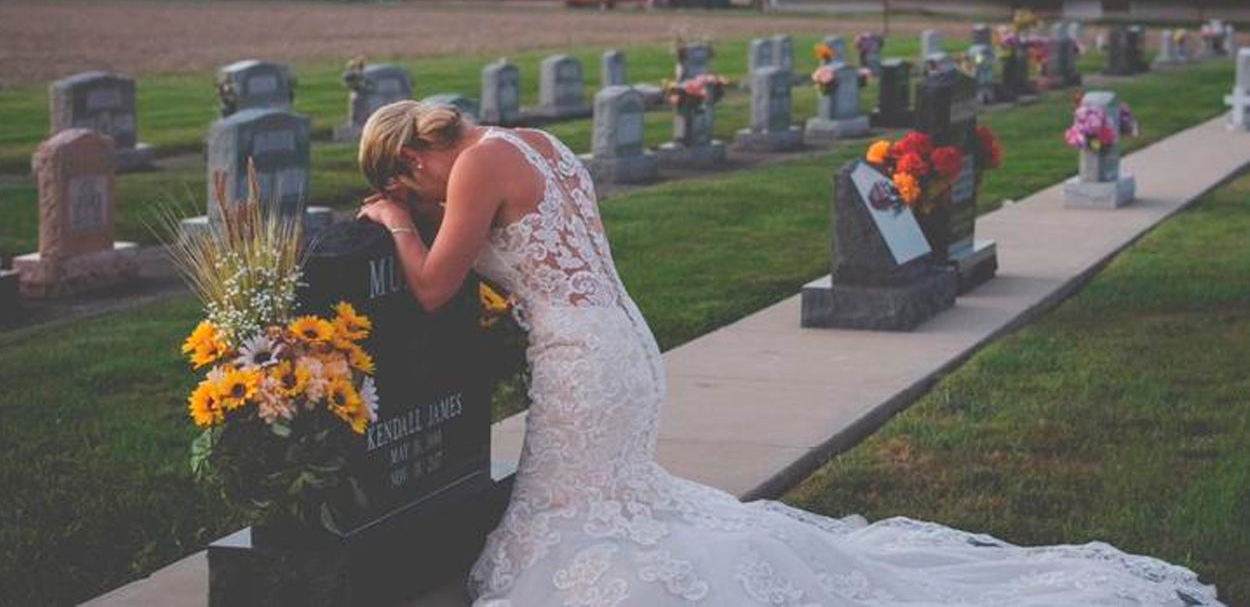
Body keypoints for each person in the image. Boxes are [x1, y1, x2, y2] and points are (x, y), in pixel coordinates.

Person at [357, 100, 1220, 606]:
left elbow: (434, 285)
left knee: (574, 521)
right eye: (406, 197)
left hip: (585, 358)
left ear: (415, 149)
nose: (418, 195)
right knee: (615, 504)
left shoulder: (472, 165)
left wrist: (395, 226)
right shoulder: (533, 141)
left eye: (408, 181)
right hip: (620, 343)